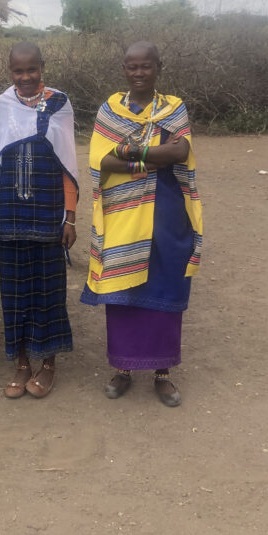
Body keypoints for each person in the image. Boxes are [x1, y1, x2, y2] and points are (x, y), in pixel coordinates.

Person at [80, 41, 203, 407]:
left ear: (158, 68)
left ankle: (163, 373)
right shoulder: (110, 111)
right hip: (123, 214)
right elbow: (101, 161)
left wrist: (133, 151)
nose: (138, 73)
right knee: (124, 288)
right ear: (124, 69)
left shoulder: (172, 108)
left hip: (166, 211)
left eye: (145, 66)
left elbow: (180, 152)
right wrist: (148, 162)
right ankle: (124, 368)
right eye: (132, 67)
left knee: (166, 284)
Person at [0, 43, 79, 398]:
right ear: (9, 72)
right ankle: (21, 363)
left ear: (42, 68)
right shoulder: (1, 106)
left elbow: (67, 164)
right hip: (9, 215)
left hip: (49, 213)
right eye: (18, 72)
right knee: (14, 291)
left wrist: (71, 217)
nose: (25, 78)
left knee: (49, 292)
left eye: (31, 70)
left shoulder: (59, 104)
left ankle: (48, 364)